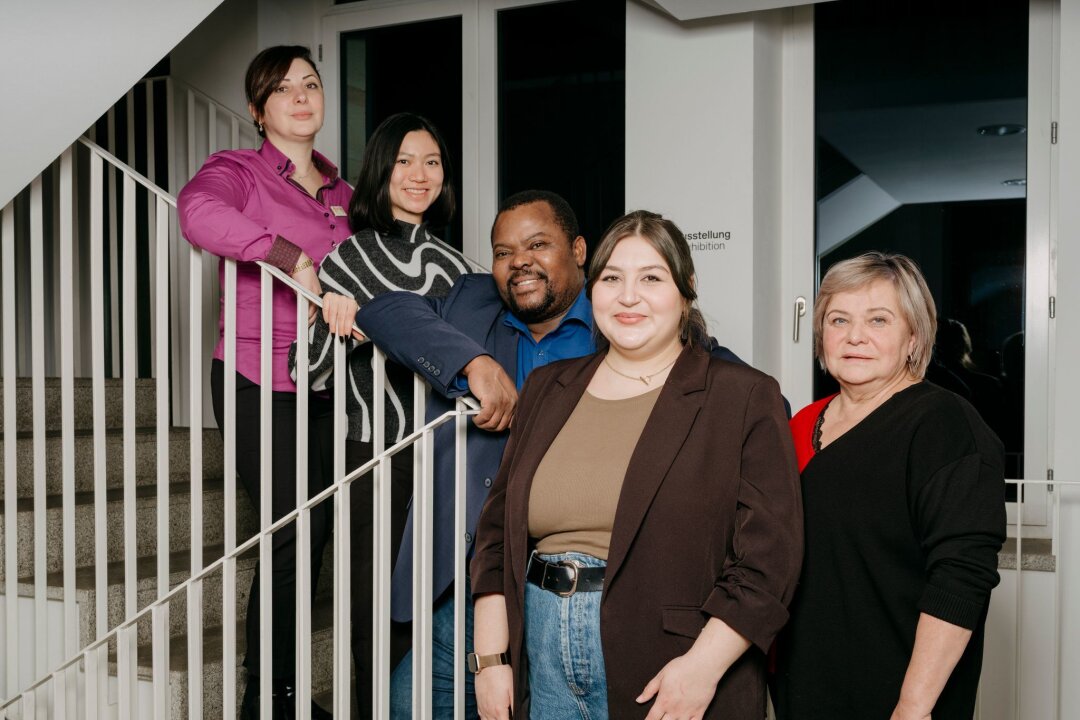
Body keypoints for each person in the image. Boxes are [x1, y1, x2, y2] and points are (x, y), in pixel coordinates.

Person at [355, 194, 751, 718]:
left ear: (580, 251)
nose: (519, 260)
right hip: (476, 572)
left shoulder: (624, 323)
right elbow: (385, 308)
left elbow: (718, 386)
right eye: (503, 251)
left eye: (538, 244)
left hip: (588, 583)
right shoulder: (471, 303)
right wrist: (472, 362)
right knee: (409, 703)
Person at [466, 210, 802, 720]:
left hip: (672, 667)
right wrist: (491, 661)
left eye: (651, 277)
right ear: (591, 288)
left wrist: (702, 669)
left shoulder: (743, 395)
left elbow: (769, 561)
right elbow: (495, 538)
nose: (628, 296)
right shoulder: (547, 388)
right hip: (542, 659)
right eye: (612, 278)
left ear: (686, 289)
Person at [178, 45, 354, 720]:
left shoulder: (345, 195)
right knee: (290, 529)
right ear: (260, 110)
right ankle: (268, 700)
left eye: (311, 84)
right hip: (257, 375)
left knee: (316, 536)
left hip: (332, 381)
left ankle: (285, 687)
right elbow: (197, 215)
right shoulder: (238, 172)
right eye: (284, 90)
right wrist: (291, 257)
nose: (302, 97)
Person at [772, 252, 1007, 720]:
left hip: (898, 697)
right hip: (805, 688)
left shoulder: (944, 424)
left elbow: (961, 578)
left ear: (914, 337)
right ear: (821, 334)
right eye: (839, 319)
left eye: (878, 320)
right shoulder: (800, 423)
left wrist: (913, 707)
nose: (855, 336)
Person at [294, 112, 472, 718]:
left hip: (444, 457)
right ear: (381, 171)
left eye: (431, 162)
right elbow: (306, 371)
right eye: (403, 161)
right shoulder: (345, 260)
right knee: (372, 601)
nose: (419, 175)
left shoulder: (460, 268)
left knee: (437, 593)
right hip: (372, 453)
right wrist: (332, 317)